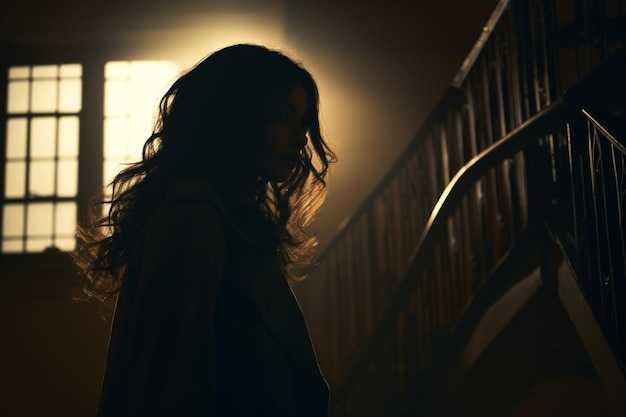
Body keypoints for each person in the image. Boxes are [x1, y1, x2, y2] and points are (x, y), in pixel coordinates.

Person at [73, 44, 336, 417]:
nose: (300, 137)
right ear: (235, 116)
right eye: (281, 116)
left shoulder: (223, 222)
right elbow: (173, 388)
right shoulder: (192, 223)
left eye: (303, 121)